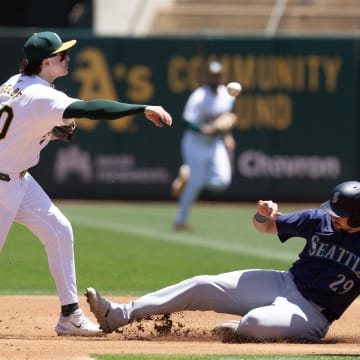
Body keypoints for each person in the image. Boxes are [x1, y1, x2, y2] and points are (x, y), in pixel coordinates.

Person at [0, 31, 172, 336]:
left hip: (19, 179)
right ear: (47, 61)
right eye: (62, 55)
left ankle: (70, 316)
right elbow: (92, 109)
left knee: (59, 229)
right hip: (3, 183)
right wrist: (140, 109)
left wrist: (49, 134)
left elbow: (16, 126)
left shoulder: (15, 83)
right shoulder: (43, 95)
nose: (68, 58)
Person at [86, 180, 360, 342]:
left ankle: (245, 330)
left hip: (314, 313)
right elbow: (265, 227)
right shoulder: (319, 218)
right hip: (283, 282)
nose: (333, 216)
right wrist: (263, 215)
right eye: (333, 210)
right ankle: (117, 315)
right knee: (203, 284)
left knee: (255, 323)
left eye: (341, 213)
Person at [171, 61, 237, 231]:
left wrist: (228, 136)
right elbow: (186, 120)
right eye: (212, 75)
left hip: (215, 144)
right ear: (208, 76)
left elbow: (224, 120)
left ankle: (188, 176)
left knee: (222, 182)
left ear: (221, 76)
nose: (215, 78)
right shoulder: (199, 96)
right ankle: (180, 221)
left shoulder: (226, 95)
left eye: (218, 75)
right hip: (195, 143)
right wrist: (203, 129)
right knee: (195, 183)